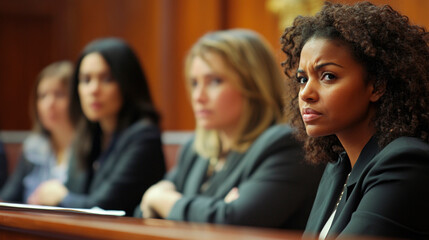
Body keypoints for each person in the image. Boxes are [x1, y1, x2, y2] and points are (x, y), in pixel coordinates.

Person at [137, 29, 324, 229]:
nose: (198, 97)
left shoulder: (288, 145)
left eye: (215, 81)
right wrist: (211, 209)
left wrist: (164, 200)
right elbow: (142, 212)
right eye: (194, 83)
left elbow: (232, 222)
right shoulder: (195, 150)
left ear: (253, 84)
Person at [281, 1, 429, 239]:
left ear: (377, 85)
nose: (305, 93)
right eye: (302, 79)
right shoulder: (337, 168)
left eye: (328, 76)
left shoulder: (405, 164)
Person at [29, 38, 166, 216]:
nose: (93, 90)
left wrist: (61, 197)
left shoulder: (144, 137)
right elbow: (78, 195)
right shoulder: (87, 135)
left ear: (127, 83)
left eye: (107, 79)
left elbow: (104, 208)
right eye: (86, 80)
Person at [1, 61, 74, 203]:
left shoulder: (88, 148)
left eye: (59, 94)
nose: (49, 104)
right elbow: (8, 197)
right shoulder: (33, 146)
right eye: (42, 96)